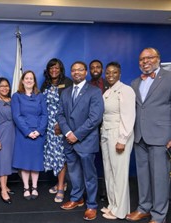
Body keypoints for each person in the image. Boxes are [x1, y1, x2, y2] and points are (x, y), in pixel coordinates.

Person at [126, 47, 171, 223]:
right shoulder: (135, 83)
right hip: (140, 137)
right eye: (141, 59)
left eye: (149, 58)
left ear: (158, 59)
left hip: (162, 138)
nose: (145, 62)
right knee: (143, 176)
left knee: (159, 178)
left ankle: (159, 215)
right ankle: (144, 208)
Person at [57, 61, 104, 221]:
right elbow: (60, 115)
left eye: (80, 70)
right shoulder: (65, 92)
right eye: (74, 70)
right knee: (74, 174)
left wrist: (76, 135)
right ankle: (77, 198)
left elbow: (95, 118)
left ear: (85, 73)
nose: (76, 72)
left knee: (89, 175)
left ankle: (91, 205)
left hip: (85, 141)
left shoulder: (94, 91)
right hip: (68, 140)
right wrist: (68, 132)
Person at [100, 62, 136, 220]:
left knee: (119, 173)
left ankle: (120, 210)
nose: (110, 75)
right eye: (107, 73)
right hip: (105, 132)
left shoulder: (126, 90)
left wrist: (122, 139)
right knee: (109, 171)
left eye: (114, 72)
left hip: (118, 134)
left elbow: (128, 117)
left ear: (120, 74)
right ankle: (112, 205)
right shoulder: (107, 91)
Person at [11, 70, 48, 200]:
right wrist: (28, 132)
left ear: (34, 81)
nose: (29, 80)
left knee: (35, 162)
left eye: (31, 78)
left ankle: (35, 187)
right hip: (23, 133)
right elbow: (16, 116)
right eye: (26, 78)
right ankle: (26, 187)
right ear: (22, 81)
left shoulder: (40, 96)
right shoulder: (17, 96)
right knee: (25, 162)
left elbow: (45, 115)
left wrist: (39, 131)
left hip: (38, 133)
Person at [40, 58, 73, 203]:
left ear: (61, 69)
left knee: (60, 157)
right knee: (53, 155)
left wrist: (61, 123)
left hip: (60, 126)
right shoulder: (45, 84)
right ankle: (62, 182)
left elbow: (71, 105)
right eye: (51, 68)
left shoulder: (67, 82)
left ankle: (60, 188)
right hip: (48, 126)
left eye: (57, 68)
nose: (54, 70)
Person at [89, 59, 109, 202]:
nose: (95, 69)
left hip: (107, 127)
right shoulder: (87, 86)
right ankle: (91, 192)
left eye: (98, 67)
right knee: (92, 162)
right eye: (92, 67)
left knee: (106, 161)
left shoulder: (110, 84)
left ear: (102, 70)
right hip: (91, 129)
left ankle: (106, 191)